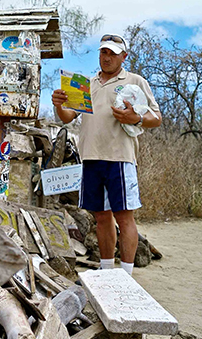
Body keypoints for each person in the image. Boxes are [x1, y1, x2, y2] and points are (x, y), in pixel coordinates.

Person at [51, 33, 162, 275]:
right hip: (91, 158)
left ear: (124, 56)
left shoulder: (134, 81)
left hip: (119, 158)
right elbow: (68, 118)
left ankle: (126, 276)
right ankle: (106, 271)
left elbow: (156, 118)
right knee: (101, 217)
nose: (107, 57)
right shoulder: (86, 84)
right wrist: (59, 103)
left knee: (124, 217)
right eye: (104, 52)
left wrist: (138, 118)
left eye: (113, 53)